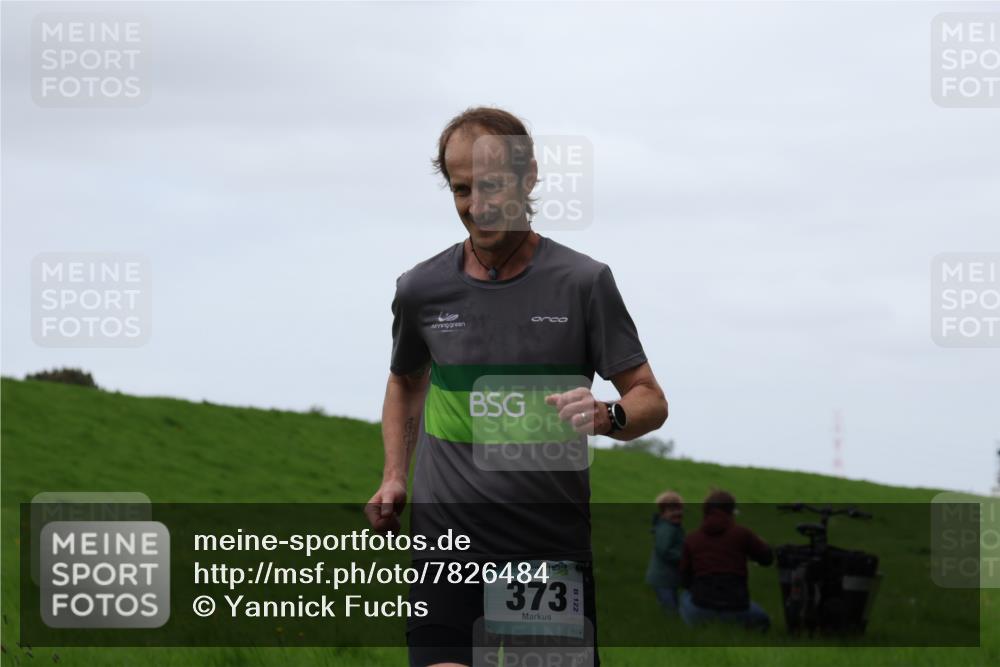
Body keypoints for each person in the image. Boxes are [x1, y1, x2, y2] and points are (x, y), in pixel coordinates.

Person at [363, 106, 669, 667]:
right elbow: (405, 382)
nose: (476, 205)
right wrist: (393, 476)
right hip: (445, 546)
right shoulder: (420, 290)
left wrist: (608, 416)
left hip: (546, 551)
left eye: (492, 185)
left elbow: (649, 398)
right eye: (461, 189)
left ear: (529, 179)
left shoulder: (583, 282)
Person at [678, 490, 773, 631]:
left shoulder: (691, 539)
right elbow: (767, 559)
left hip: (702, 609)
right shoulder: (743, 533)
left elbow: (684, 579)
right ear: (732, 510)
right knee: (763, 620)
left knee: (684, 596)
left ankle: (696, 629)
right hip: (737, 608)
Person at [645, 491, 685, 613]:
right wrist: (683, 557)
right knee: (670, 608)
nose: (677, 513)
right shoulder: (666, 529)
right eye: (672, 510)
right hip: (662, 577)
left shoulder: (673, 527)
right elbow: (664, 551)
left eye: (679, 509)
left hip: (668, 576)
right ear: (663, 513)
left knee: (671, 603)